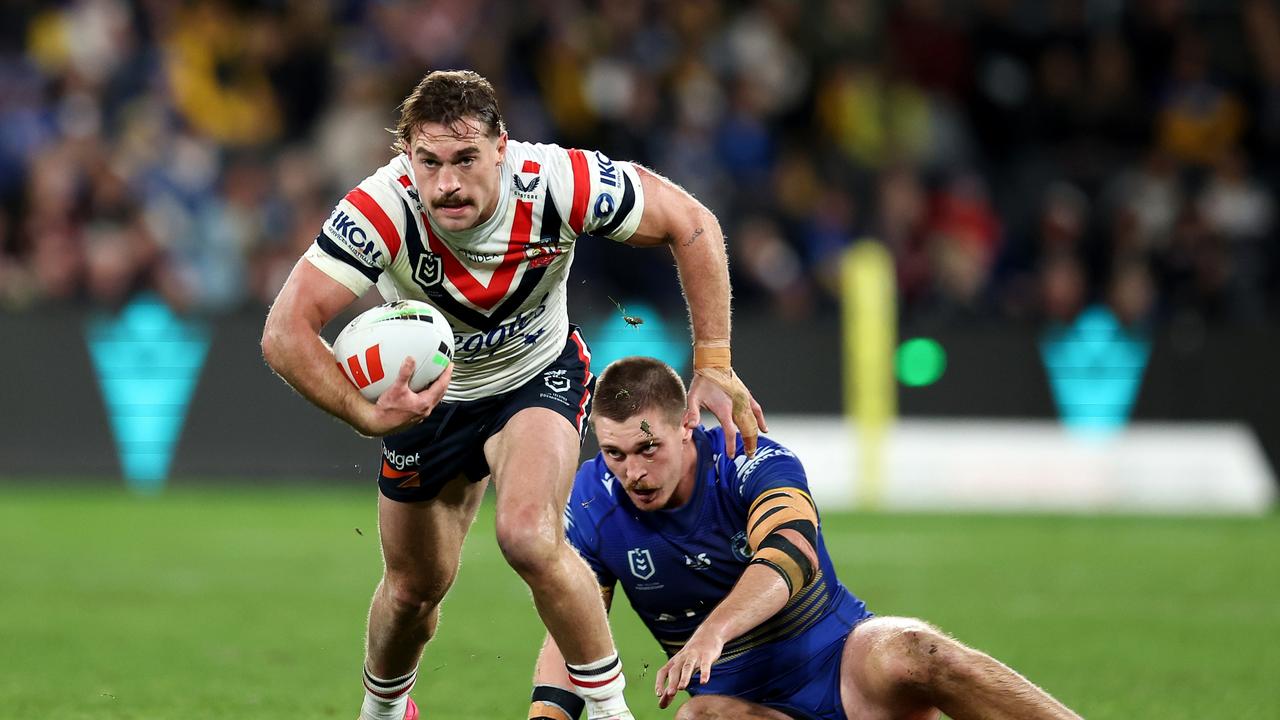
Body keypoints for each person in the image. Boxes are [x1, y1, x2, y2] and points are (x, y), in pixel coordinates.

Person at [260, 70, 766, 720]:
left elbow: (690, 221)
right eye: (429, 162)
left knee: (528, 534)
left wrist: (715, 362)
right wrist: (364, 412)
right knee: (415, 590)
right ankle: (384, 712)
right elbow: (284, 332)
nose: (446, 183)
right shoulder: (383, 208)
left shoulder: (557, 181)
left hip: (535, 376)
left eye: (465, 159)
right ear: (405, 157)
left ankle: (614, 715)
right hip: (426, 403)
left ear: (502, 148)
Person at [530, 357, 1083, 720]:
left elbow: (792, 553)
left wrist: (712, 631)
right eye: (615, 453)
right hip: (747, 707)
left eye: (648, 450)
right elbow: (571, 623)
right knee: (700, 718)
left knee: (917, 650)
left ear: (686, 425)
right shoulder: (590, 500)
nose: (633, 473)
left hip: (843, 667)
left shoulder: (750, 458)